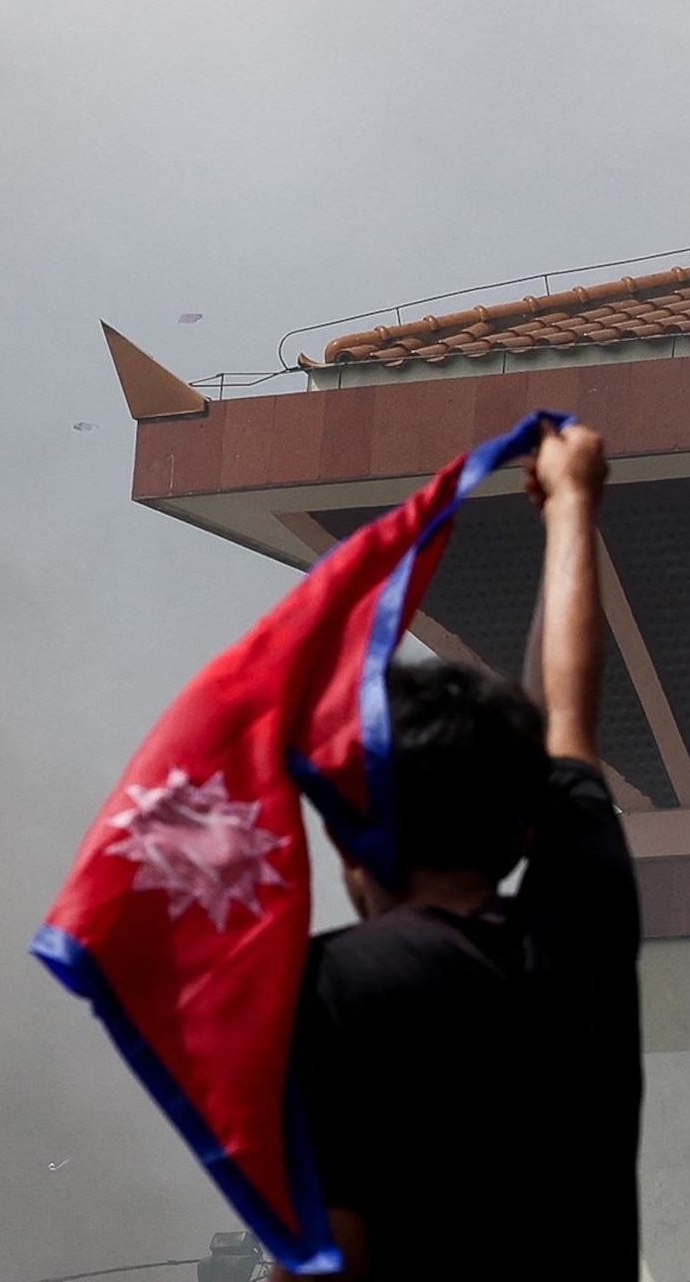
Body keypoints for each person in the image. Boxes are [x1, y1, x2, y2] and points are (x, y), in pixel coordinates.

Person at [281, 421, 640, 1281]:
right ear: (524, 830)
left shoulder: (328, 988)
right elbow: (569, 725)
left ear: (349, 834)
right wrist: (573, 506)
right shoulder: (579, 931)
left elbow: (331, 1252)